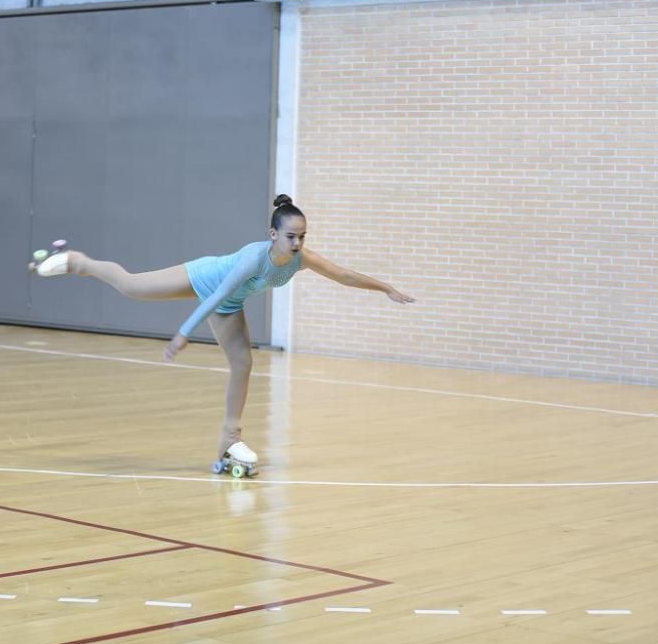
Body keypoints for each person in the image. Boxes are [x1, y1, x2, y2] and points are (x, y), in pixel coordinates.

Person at [30, 194, 415, 475]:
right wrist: (183, 333)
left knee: (243, 364)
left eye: (302, 236)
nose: (298, 243)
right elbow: (215, 294)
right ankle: (80, 263)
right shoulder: (253, 259)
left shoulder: (302, 260)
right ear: (272, 234)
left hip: (229, 303)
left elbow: (344, 274)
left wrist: (385, 288)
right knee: (132, 287)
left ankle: (230, 440)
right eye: (291, 237)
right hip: (206, 278)